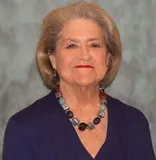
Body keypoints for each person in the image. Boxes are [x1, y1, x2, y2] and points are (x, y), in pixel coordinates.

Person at [3, 1, 156, 160]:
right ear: (53, 58)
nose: (84, 54)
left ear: (108, 58)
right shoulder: (23, 128)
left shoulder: (134, 122)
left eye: (94, 45)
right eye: (72, 46)